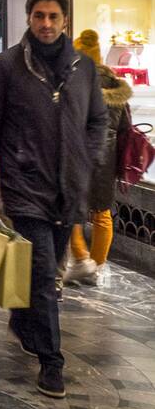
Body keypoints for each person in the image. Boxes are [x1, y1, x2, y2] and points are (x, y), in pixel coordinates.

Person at [0, 0, 107, 399]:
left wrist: (86, 158)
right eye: (38, 16)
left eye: (53, 17)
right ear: (29, 18)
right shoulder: (5, 66)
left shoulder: (83, 68)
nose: (46, 24)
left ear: (65, 20)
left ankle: (25, 320)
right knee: (46, 273)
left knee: (47, 270)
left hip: (70, 187)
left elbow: (97, 120)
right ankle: (52, 362)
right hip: (25, 184)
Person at [62, 29, 131, 286]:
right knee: (102, 214)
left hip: (79, 155)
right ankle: (97, 265)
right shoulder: (116, 87)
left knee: (70, 209)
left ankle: (81, 259)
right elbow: (125, 127)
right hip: (107, 159)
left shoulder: (75, 82)